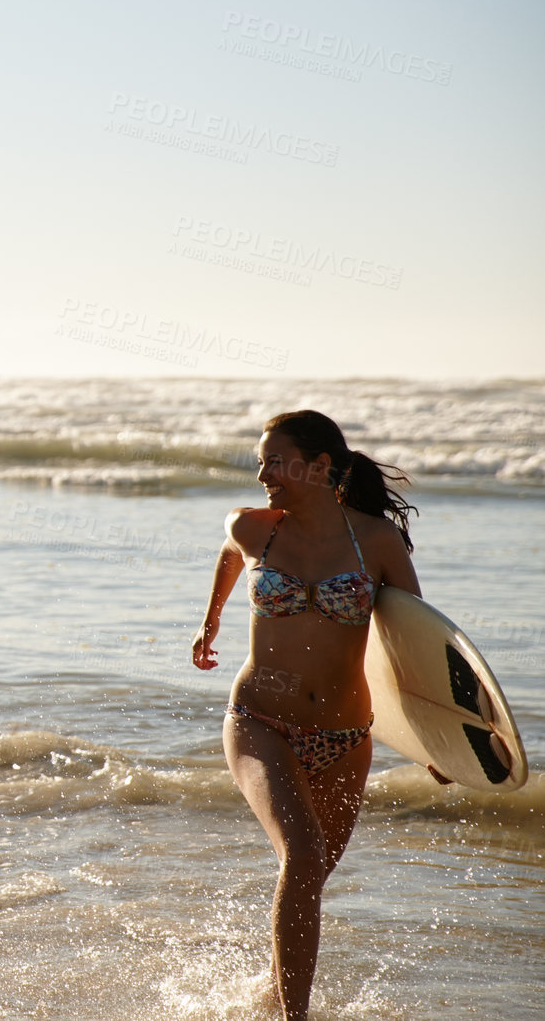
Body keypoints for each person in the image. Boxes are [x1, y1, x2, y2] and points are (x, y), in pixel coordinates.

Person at [191, 410, 419, 1020]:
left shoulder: (375, 541)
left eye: (276, 460)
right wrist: (211, 620)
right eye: (260, 460)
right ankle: (297, 1016)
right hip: (260, 722)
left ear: (320, 467)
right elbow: (230, 552)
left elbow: (415, 648)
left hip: (346, 736)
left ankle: (272, 995)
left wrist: (438, 744)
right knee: (304, 856)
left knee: (309, 878)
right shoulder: (254, 528)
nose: (264, 472)